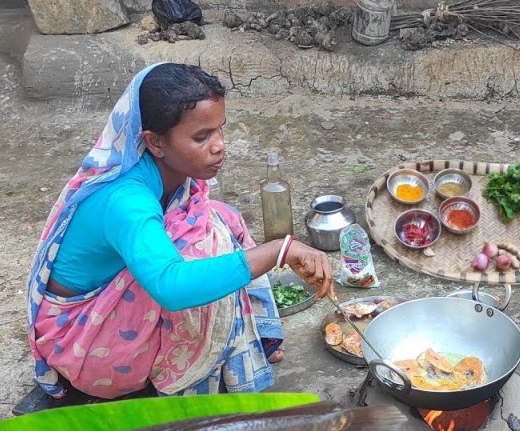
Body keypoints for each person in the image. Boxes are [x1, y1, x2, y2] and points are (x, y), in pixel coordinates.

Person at [25, 62, 334, 400]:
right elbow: (172, 288)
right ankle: (191, 380)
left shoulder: (166, 173)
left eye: (220, 130)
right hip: (84, 342)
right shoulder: (126, 201)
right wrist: (279, 250)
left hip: (113, 302)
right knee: (211, 251)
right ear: (155, 142)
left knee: (221, 218)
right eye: (202, 137)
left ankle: (254, 335)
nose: (219, 146)